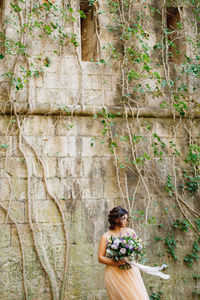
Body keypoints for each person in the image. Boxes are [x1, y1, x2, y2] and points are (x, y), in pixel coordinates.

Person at [98, 206, 149, 300]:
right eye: (123, 218)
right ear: (116, 219)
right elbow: (100, 257)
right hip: (114, 273)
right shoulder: (106, 236)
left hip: (130, 270)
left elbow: (137, 249)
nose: (126, 221)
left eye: (126, 218)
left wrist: (133, 255)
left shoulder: (131, 232)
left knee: (137, 297)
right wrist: (115, 262)